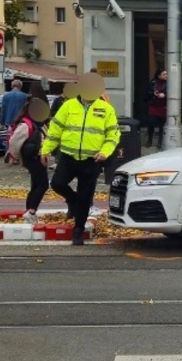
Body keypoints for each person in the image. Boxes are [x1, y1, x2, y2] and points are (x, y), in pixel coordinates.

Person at [40, 81, 121, 246]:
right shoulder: (69, 105)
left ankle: (78, 230)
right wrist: (46, 149)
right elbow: (55, 130)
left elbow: (113, 134)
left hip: (92, 160)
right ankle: (73, 201)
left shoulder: (106, 108)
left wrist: (105, 152)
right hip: (68, 157)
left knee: (85, 196)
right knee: (57, 183)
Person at [5, 98, 48, 226]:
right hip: (33, 158)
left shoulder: (39, 123)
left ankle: (29, 212)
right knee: (43, 185)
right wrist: (17, 157)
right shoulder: (26, 124)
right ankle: (31, 212)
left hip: (38, 157)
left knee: (36, 185)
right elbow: (14, 142)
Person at [145, 68, 167, 148]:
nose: (166, 76)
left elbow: (171, 94)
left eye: (166, 74)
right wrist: (153, 93)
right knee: (151, 123)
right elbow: (147, 92)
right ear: (159, 75)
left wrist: (164, 95)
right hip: (153, 106)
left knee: (162, 125)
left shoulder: (168, 84)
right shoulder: (153, 82)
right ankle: (149, 140)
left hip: (162, 106)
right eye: (164, 74)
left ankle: (160, 142)